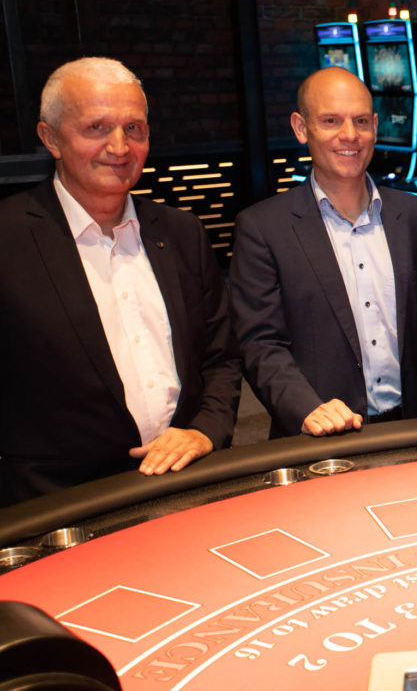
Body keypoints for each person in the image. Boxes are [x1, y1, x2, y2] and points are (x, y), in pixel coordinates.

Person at [0, 57, 240, 504]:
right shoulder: (8, 239)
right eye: (97, 128)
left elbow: (221, 358)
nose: (120, 146)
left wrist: (205, 431)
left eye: (134, 129)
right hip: (56, 506)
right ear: (50, 138)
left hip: (188, 487)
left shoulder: (182, 232)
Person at [230, 67, 417, 437]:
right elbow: (260, 344)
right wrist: (307, 410)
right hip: (320, 439)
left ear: (375, 126)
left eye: (360, 121)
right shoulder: (262, 228)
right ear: (301, 128)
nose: (350, 135)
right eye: (331, 121)